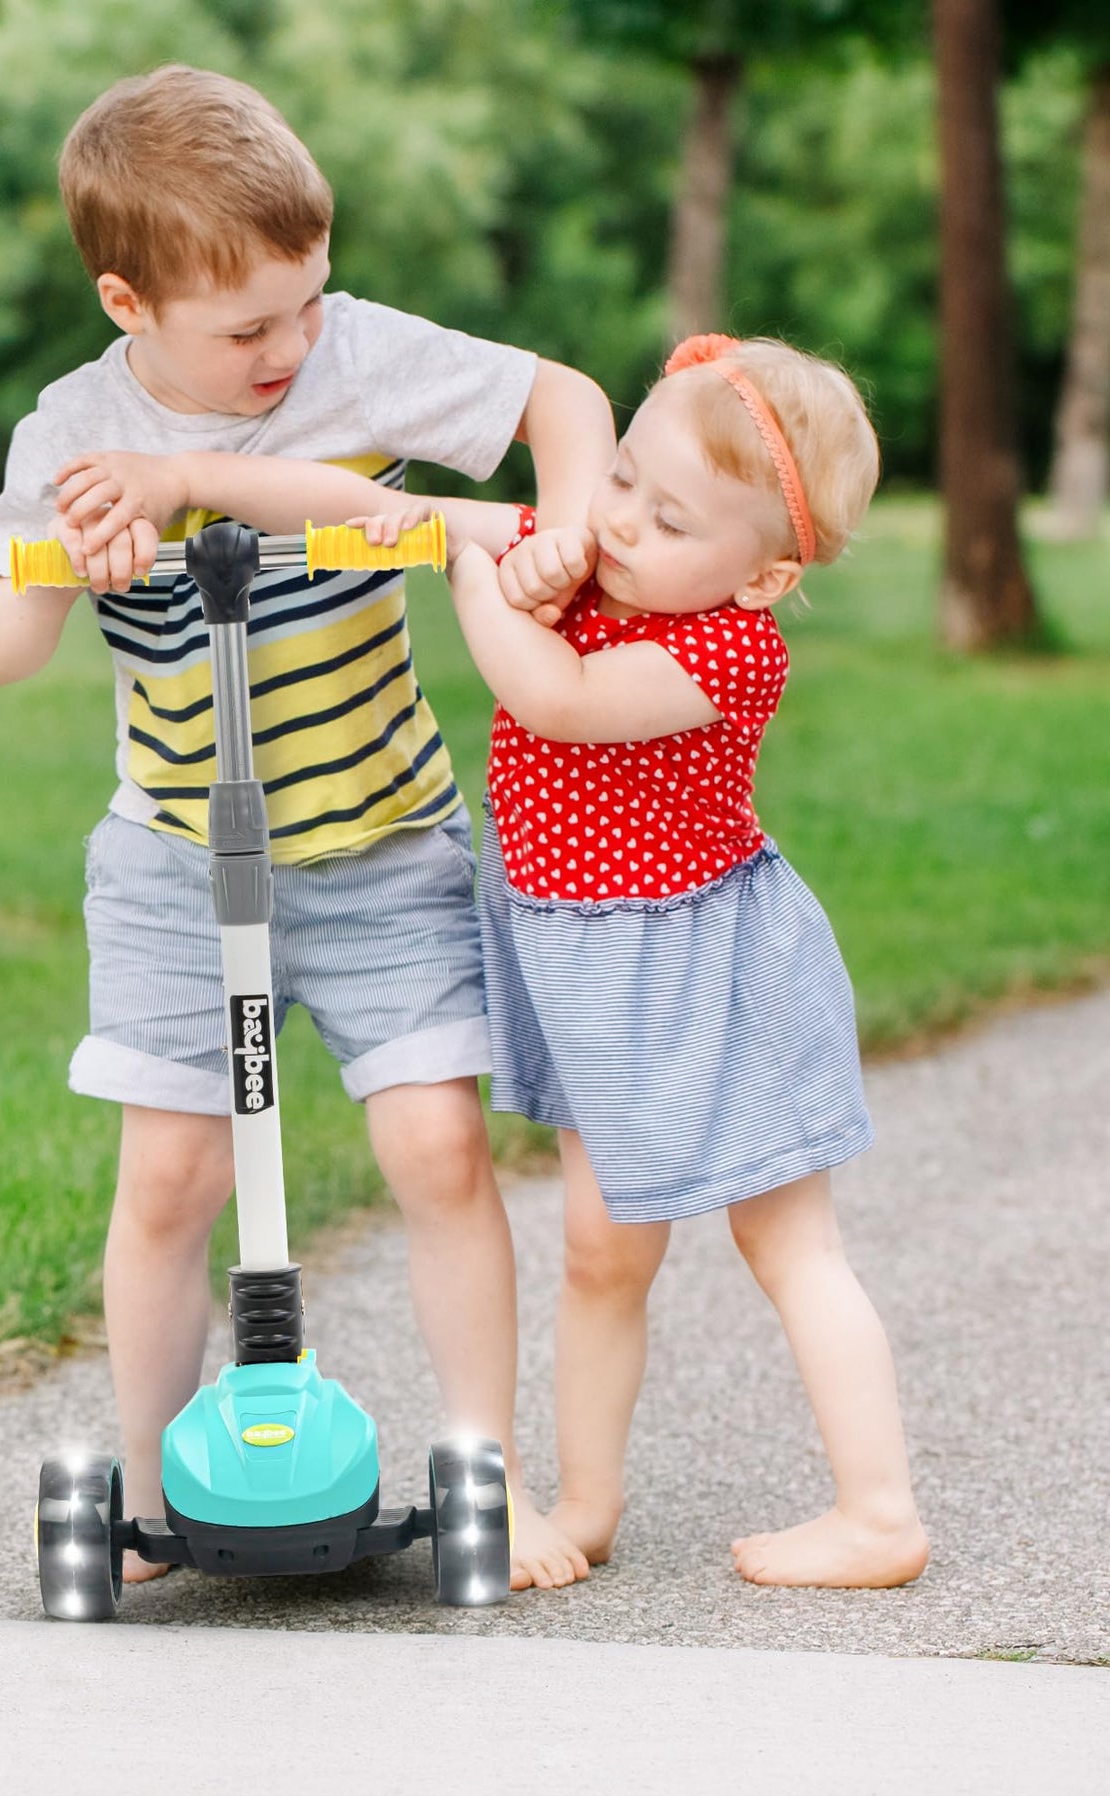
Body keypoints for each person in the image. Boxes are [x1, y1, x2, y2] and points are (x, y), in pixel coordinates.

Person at [0, 63, 615, 1589]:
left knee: (438, 1147)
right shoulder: (76, 431)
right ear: (128, 302)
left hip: (386, 841)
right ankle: (151, 1497)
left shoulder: (358, 358)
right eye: (248, 329)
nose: (291, 347)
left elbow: (561, 400)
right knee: (169, 1181)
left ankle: (488, 1474)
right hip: (175, 864)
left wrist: (569, 529)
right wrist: (60, 563)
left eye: (306, 303)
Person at [356, 333, 929, 1587]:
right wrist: (210, 483)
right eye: (620, 476)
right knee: (603, 1252)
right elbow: (433, 517)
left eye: (669, 519)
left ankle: (880, 1513)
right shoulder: (600, 562)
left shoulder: (730, 649)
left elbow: (555, 700)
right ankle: (588, 1505)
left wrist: (477, 579)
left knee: (789, 1244)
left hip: (710, 967)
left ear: (765, 575)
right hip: (592, 981)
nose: (619, 520)